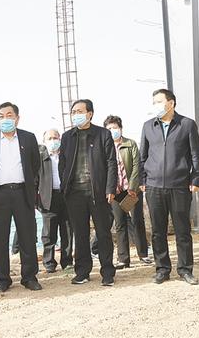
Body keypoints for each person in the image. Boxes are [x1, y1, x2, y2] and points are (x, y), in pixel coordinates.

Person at [139, 89, 199, 285]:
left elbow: (196, 155)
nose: (156, 105)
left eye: (159, 101)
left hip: (180, 186)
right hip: (154, 186)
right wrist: (143, 181)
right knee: (158, 231)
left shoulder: (187, 124)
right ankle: (162, 269)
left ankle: (185, 269)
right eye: (154, 102)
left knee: (182, 230)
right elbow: (142, 156)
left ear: (171, 103)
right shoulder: (148, 126)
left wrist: (195, 180)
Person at [0, 101, 42, 292]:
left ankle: (29, 277)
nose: (5, 119)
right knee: (0, 239)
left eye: (9, 115)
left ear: (17, 118)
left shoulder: (28, 138)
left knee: (27, 237)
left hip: (23, 193)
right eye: (1, 116)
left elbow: (35, 164)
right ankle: (2, 279)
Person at [59, 99, 118, 286]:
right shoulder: (67, 137)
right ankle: (82, 272)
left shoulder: (103, 134)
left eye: (80, 111)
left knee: (103, 233)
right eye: (73, 112)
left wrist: (110, 188)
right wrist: (65, 185)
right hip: (75, 193)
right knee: (80, 234)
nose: (76, 115)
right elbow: (62, 164)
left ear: (90, 114)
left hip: (98, 192)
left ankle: (107, 272)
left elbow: (111, 163)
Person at [103, 115, 152, 268]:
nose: (113, 131)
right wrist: (109, 189)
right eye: (109, 128)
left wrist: (132, 187)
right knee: (120, 224)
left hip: (131, 190)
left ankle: (143, 254)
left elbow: (137, 166)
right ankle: (123, 258)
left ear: (121, 128)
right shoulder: (104, 147)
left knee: (137, 221)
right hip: (115, 191)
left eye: (115, 127)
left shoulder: (130, 144)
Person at [37, 129, 73, 272]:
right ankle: (49, 263)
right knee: (48, 234)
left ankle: (67, 261)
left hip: (66, 196)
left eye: (55, 138)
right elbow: (35, 179)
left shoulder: (67, 155)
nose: (53, 141)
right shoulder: (40, 157)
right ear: (44, 141)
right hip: (48, 198)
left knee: (67, 231)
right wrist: (37, 200)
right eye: (50, 138)